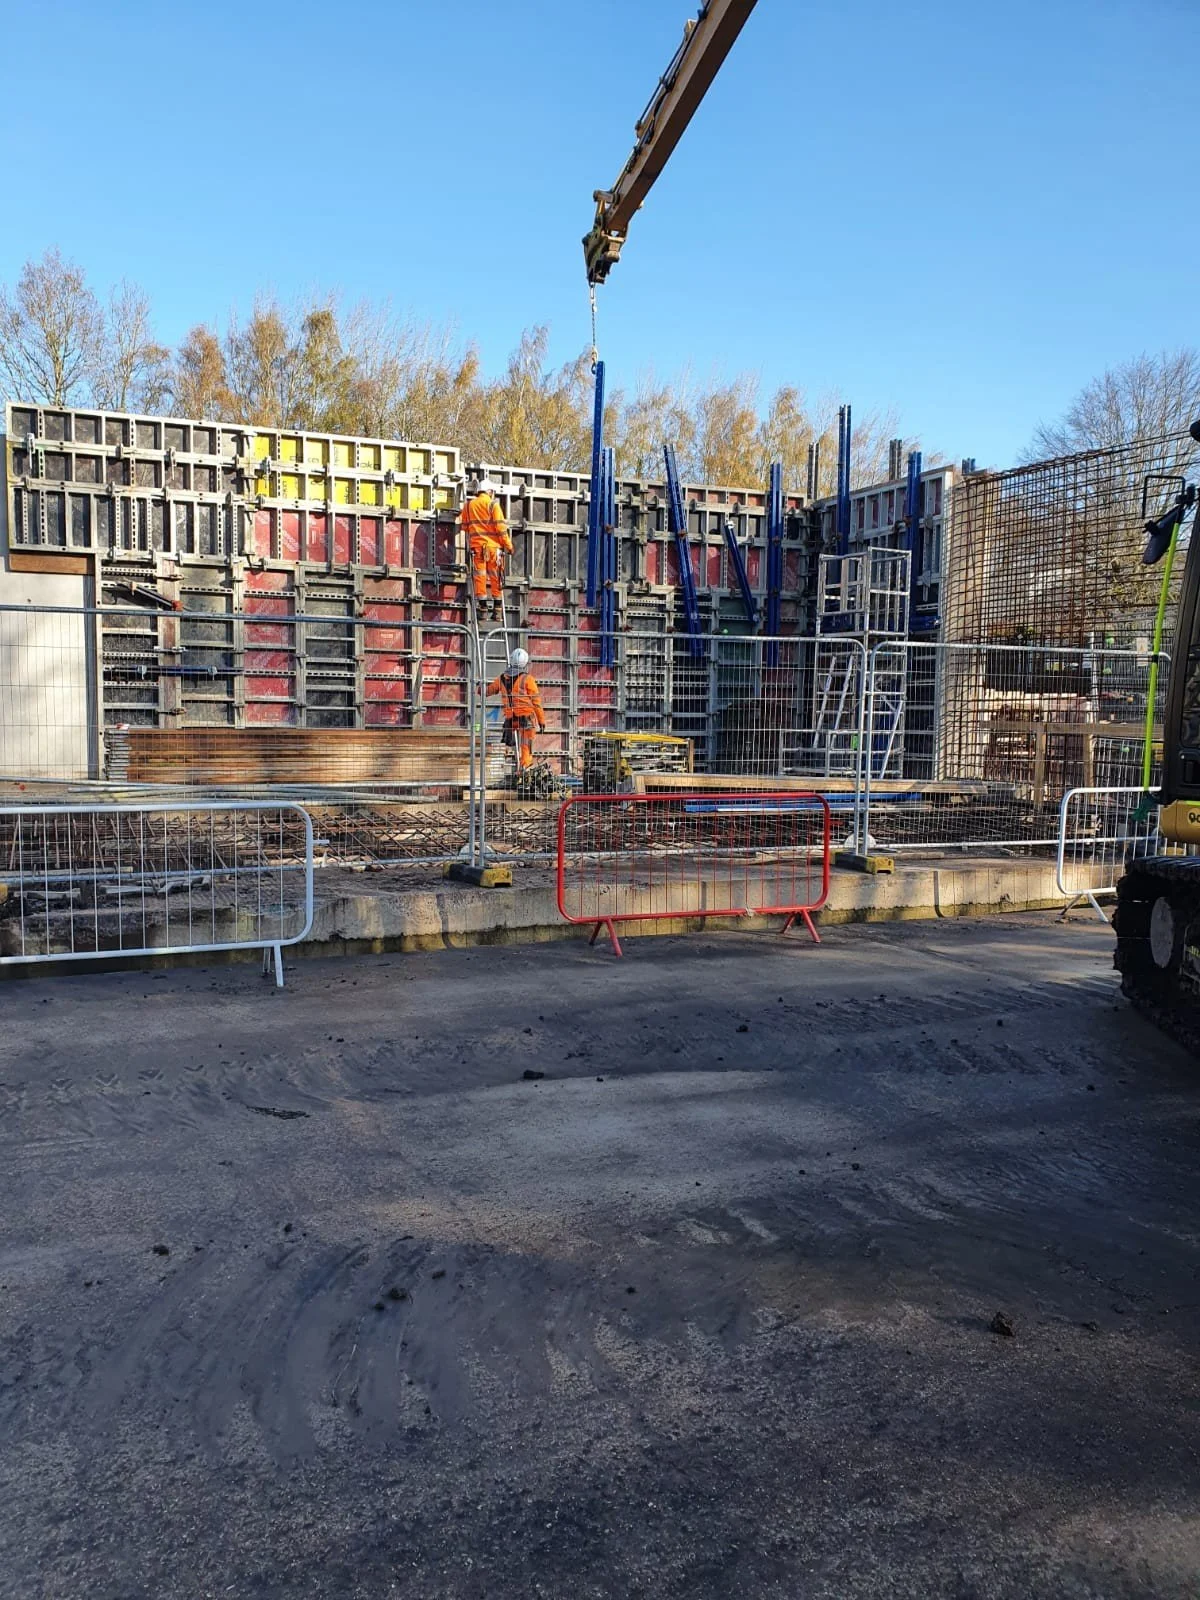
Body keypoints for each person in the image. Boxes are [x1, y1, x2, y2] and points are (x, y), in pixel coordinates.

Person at [460, 477, 512, 621]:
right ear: (490, 491)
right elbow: (501, 529)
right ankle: (497, 612)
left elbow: (464, 526)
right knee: (496, 579)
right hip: (493, 549)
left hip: (477, 549)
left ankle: (482, 610)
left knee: (480, 578)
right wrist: (509, 546)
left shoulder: (468, 506)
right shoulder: (493, 505)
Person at [487, 648, 546, 772]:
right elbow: (536, 702)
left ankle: (505, 769)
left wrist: (478, 689)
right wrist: (541, 721)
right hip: (526, 719)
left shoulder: (502, 679)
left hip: (510, 720)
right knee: (525, 746)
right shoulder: (527, 679)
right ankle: (523, 769)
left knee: (509, 744)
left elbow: (489, 690)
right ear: (525, 663)